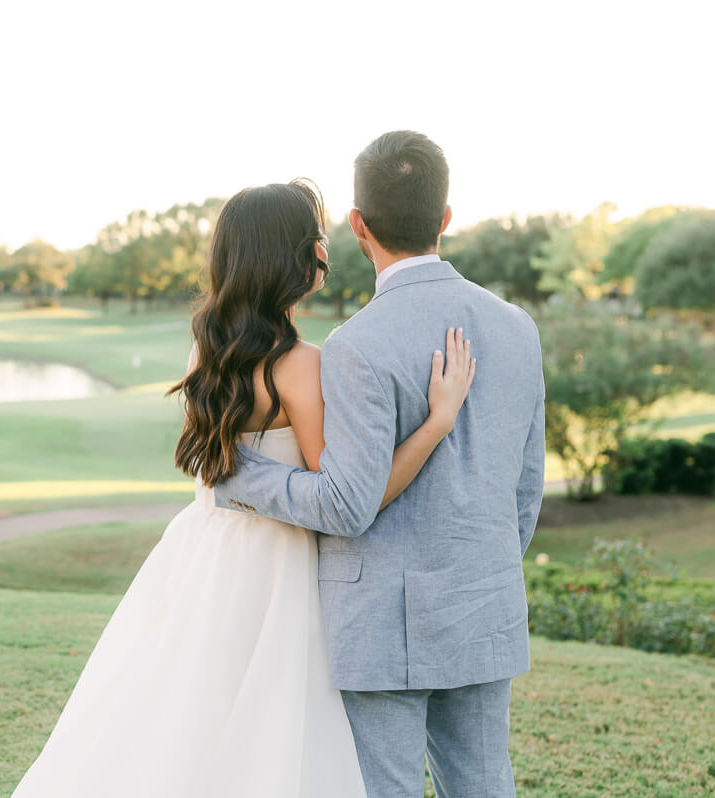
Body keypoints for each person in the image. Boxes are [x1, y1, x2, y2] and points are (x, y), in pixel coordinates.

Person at [11, 177, 476, 797]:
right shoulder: (300, 364)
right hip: (276, 571)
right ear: (289, 256)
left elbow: (227, 470)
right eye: (315, 238)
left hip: (202, 554)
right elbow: (346, 499)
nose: (326, 249)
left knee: (183, 714)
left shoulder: (205, 351)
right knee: (270, 729)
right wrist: (437, 422)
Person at [215, 131, 546, 797]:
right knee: (485, 784)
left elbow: (344, 503)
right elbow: (525, 490)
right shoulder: (518, 327)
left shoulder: (354, 344)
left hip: (379, 624)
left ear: (358, 225)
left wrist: (244, 477)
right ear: (446, 218)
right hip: (485, 605)